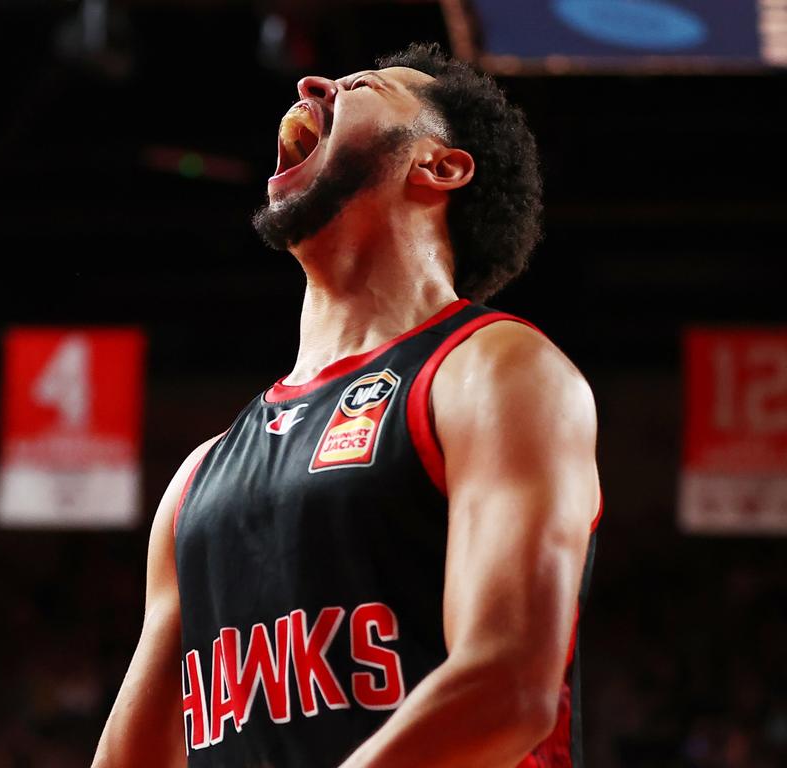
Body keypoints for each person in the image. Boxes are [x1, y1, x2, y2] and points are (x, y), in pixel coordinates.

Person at [91, 42, 601, 768]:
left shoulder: (494, 370)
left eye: (362, 85)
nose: (311, 82)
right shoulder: (198, 478)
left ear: (440, 165)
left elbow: (509, 686)